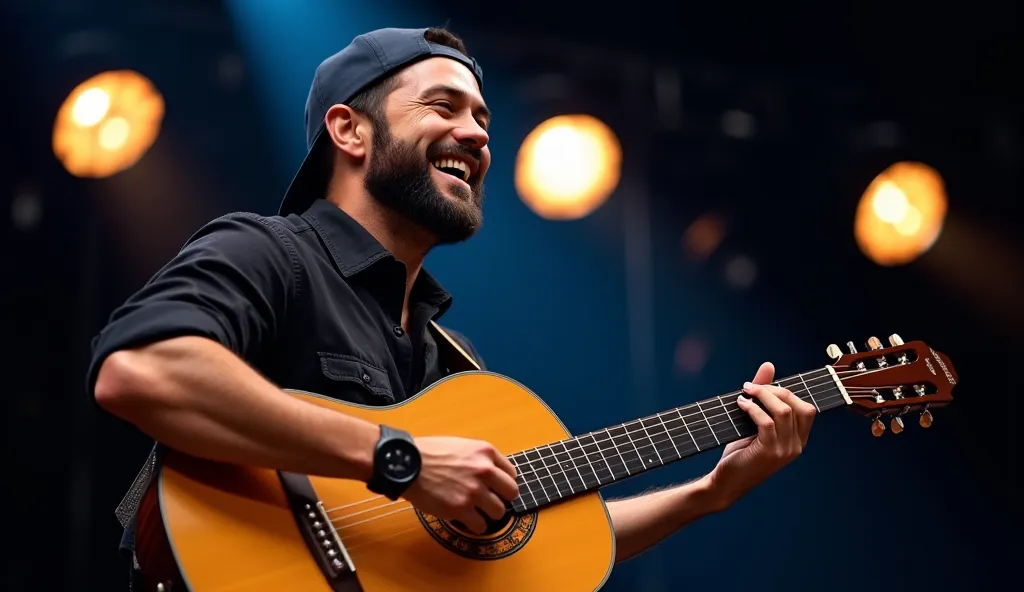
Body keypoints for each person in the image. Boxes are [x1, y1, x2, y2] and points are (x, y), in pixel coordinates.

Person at [88, 25, 817, 587]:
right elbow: (141, 372)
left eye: (484, 119)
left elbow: (537, 537)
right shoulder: (273, 253)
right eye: (444, 107)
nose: (476, 134)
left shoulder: (448, 358)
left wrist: (708, 495)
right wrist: (397, 459)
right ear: (350, 130)